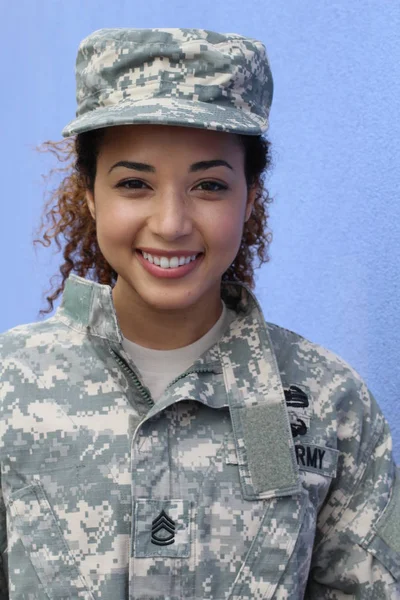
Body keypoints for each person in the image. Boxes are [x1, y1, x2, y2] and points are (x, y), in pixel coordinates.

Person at [0, 27, 399, 600]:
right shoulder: (10, 384)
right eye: (134, 183)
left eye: (208, 185)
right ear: (89, 194)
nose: (170, 223)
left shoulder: (330, 404)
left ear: (251, 198)